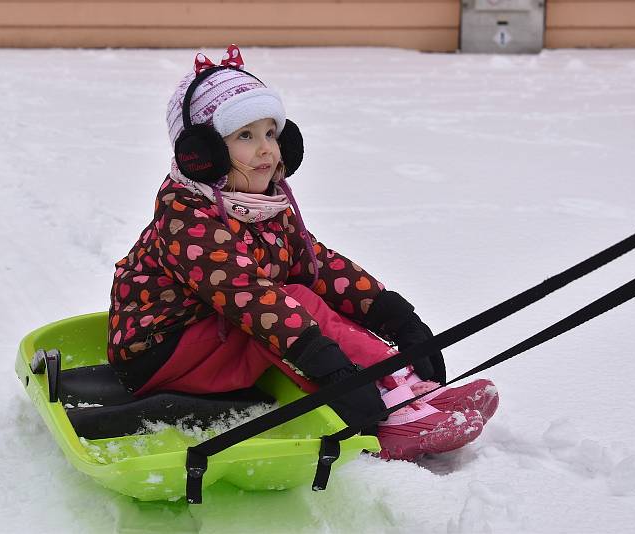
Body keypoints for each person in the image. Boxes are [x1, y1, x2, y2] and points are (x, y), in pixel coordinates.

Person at [107, 45, 498, 460]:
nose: (267, 150)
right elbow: (249, 296)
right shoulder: (186, 218)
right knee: (292, 306)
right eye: (245, 135)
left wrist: (395, 316)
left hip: (214, 333)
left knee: (302, 296)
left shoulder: (265, 202)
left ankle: (403, 386)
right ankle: (389, 414)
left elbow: (315, 265)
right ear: (202, 154)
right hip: (160, 354)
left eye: (271, 133)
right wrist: (327, 364)